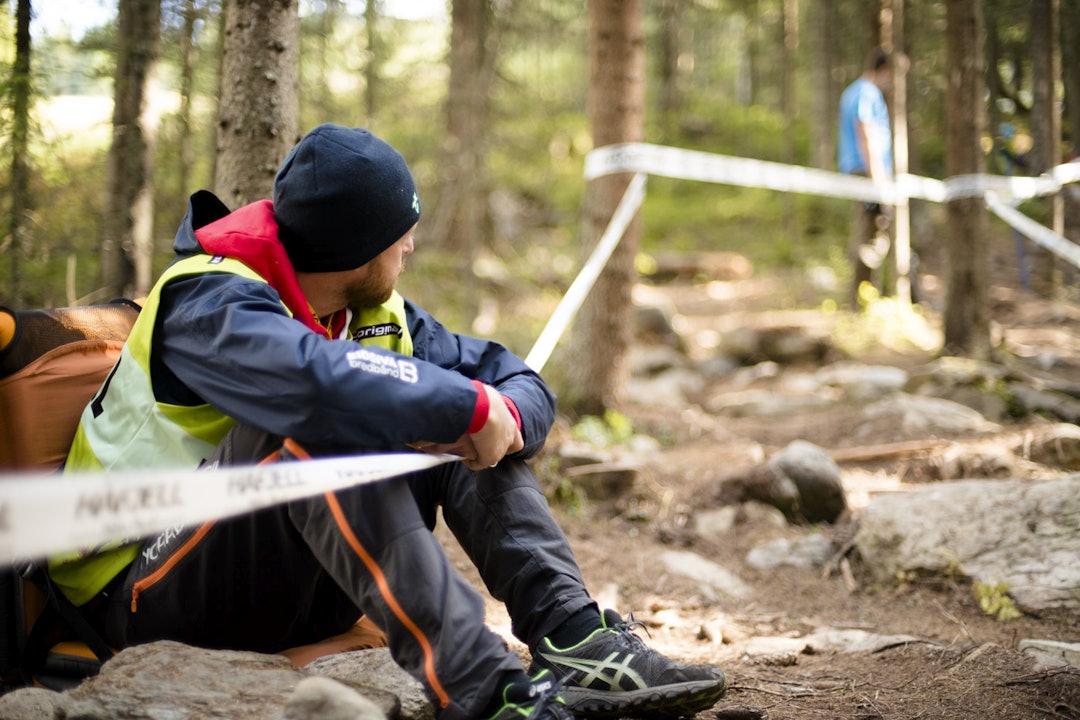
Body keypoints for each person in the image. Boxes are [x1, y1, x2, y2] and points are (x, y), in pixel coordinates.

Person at [50, 124, 728, 720]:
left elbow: (513, 377)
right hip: (144, 592)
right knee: (327, 423)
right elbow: (312, 379)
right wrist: (464, 406)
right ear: (359, 247)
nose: (412, 244)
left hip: (295, 585)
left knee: (455, 409)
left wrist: (501, 414)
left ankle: (575, 639)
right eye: (402, 231)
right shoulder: (208, 300)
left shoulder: (378, 313)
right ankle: (491, 696)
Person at [838, 47, 894, 308]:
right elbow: (865, 133)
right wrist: (878, 181)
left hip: (864, 172)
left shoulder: (854, 91)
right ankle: (860, 302)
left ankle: (862, 299)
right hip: (867, 173)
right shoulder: (865, 92)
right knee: (870, 237)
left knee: (869, 233)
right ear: (884, 70)